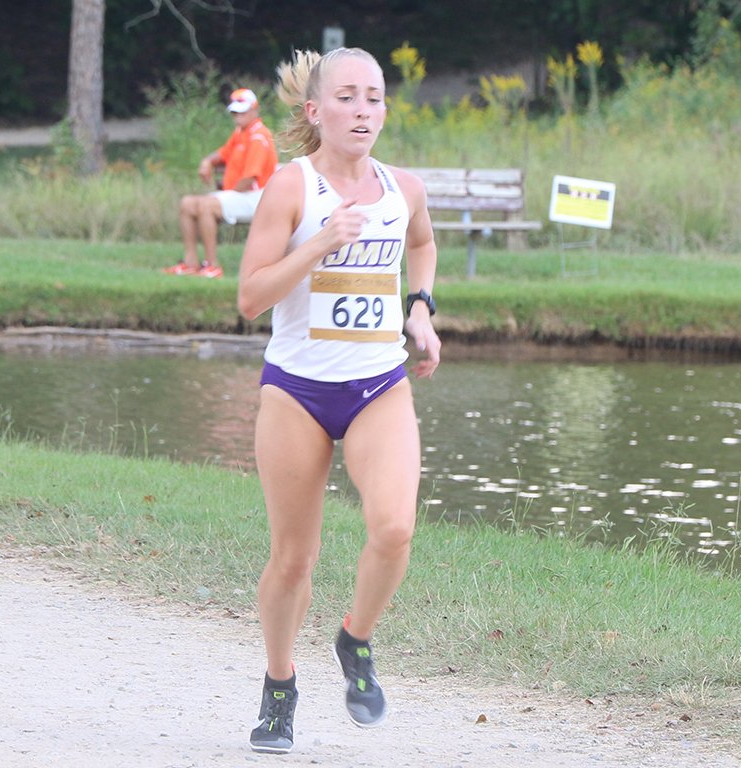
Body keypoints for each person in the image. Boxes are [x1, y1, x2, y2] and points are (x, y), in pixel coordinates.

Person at [236, 47, 441, 755]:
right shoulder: (291, 187)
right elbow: (250, 297)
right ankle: (280, 686)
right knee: (293, 559)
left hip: (378, 385)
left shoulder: (402, 188)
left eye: (374, 98)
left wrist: (420, 310)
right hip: (296, 390)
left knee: (395, 528)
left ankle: (355, 638)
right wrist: (320, 243)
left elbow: (422, 244)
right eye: (347, 97)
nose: (363, 111)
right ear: (316, 110)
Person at [164, 87, 278, 278]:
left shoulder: (258, 136)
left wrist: (225, 194)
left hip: (257, 196)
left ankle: (212, 266)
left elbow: (250, 178)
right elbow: (223, 153)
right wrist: (207, 162)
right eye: (235, 112)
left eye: (242, 112)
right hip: (240, 194)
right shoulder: (240, 132)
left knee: (207, 206)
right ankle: (190, 262)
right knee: (187, 203)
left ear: (254, 110)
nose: (237, 116)